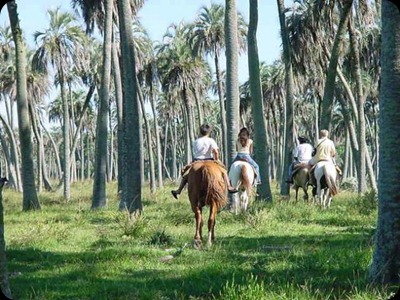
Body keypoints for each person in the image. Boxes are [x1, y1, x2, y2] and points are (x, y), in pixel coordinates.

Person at [171, 124, 238, 199]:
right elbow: (215, 151)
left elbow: (195, 152)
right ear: (209, 132)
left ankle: (179, 190)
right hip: (209, 159)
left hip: (197, 161)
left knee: (185, 175)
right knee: (224, 171)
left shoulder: (196, 141)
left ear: (200, 132)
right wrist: (217, 159)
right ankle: (229, 186)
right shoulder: (211, 140)